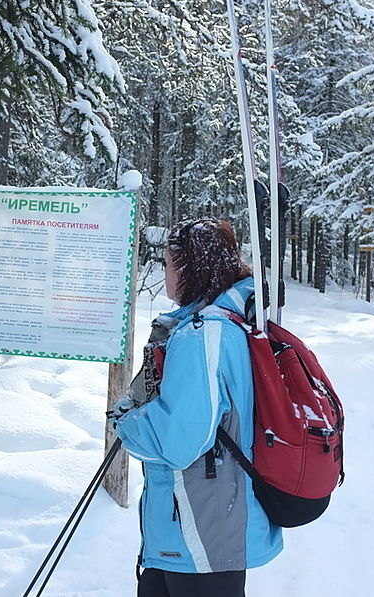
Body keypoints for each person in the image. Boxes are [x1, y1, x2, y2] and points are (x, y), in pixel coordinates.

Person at [110, 218, 282, 597]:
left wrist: (126, 423)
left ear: (191, 268)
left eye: (168, 263)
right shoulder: (235, 321)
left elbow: (179, 441)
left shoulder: (201, 335)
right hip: (202, 525)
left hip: (199, 532)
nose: (164, 272)